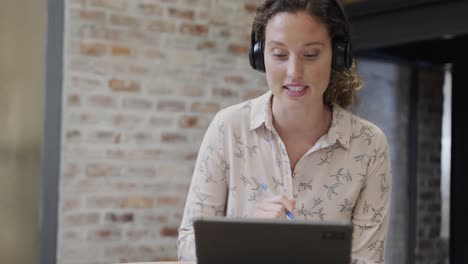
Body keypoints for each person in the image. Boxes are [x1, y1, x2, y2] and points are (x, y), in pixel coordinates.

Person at [177, 0, 391, 263]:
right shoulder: (228, 128)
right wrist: (246, 235)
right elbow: (188, 246)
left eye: (310, 55)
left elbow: (367, 260)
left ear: (337, 55)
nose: (294, 72)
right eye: (279, 55)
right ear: (260, 56)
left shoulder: (369, 145)